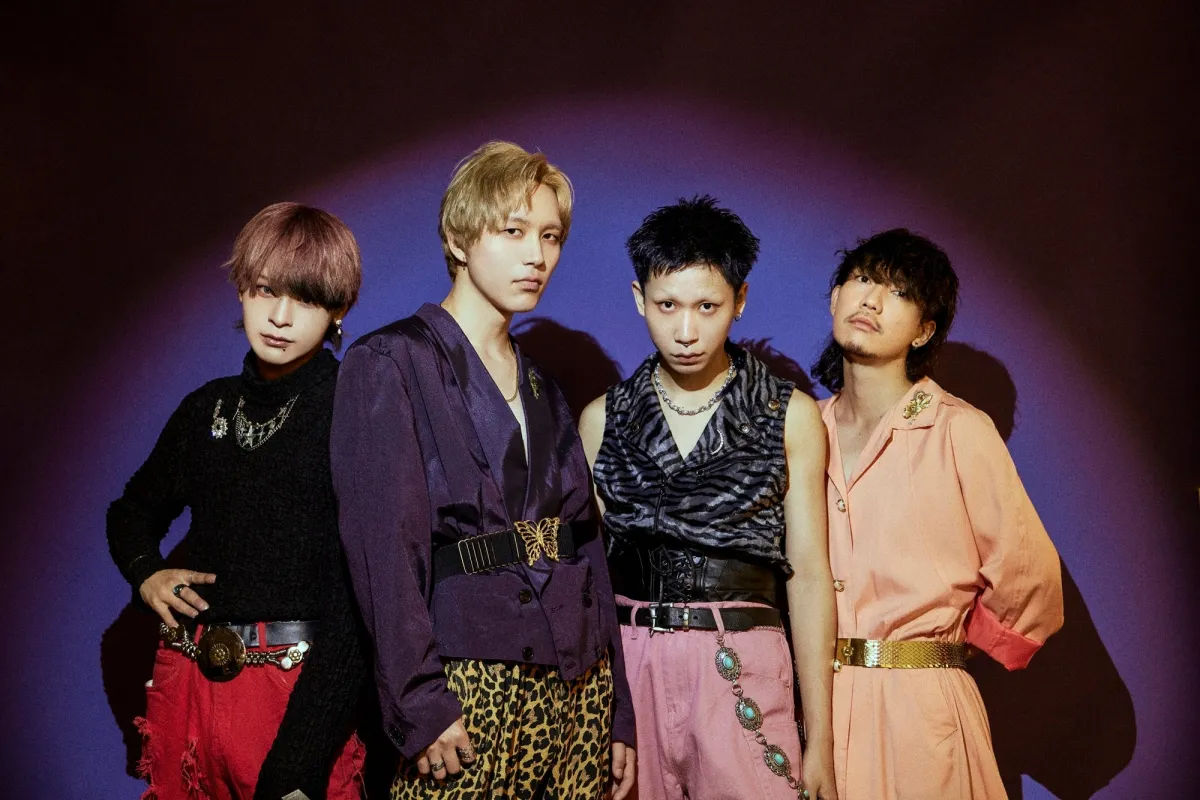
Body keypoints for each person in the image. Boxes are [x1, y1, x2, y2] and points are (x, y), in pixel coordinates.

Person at [330, 141, 636, 800]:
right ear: (458, 238)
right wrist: (419, 701)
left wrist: (618, 712)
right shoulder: (390, 362)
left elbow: (586, 549)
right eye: (514, 231)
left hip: (580, 681)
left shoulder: (544, 387)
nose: (537, 256)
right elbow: (384, 551)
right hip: (466, 683)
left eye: (550, 236)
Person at [107, 202, 368, 800]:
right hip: (187, 686)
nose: (279, 317)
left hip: (295, 694)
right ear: (242, 290)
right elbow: (131, 511)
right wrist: (146, 572)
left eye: (306, 299)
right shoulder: (207, 407)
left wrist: (299, 760)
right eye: (266, 290)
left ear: (339, 310)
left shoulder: (354, 407)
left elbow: (360, 602)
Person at [580, 196, 837, 800]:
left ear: (739, 300)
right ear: (639, 298)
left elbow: (808, 574)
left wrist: (820, 736)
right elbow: (585, 577)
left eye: (707, 306)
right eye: (667, 305)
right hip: (629, 665)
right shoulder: (602, 419)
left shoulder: (788, 415)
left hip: (740, 660)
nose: (686, 332)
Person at [811, 228, 1064, 799]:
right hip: (814, 708)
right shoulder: (802, 430)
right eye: (863, 279)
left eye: (899, 292)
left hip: (920, 709)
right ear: (835, 296)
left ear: (924, 330)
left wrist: (946, 644)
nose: (872, 300)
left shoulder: (958, 430)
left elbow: (1030, 578)